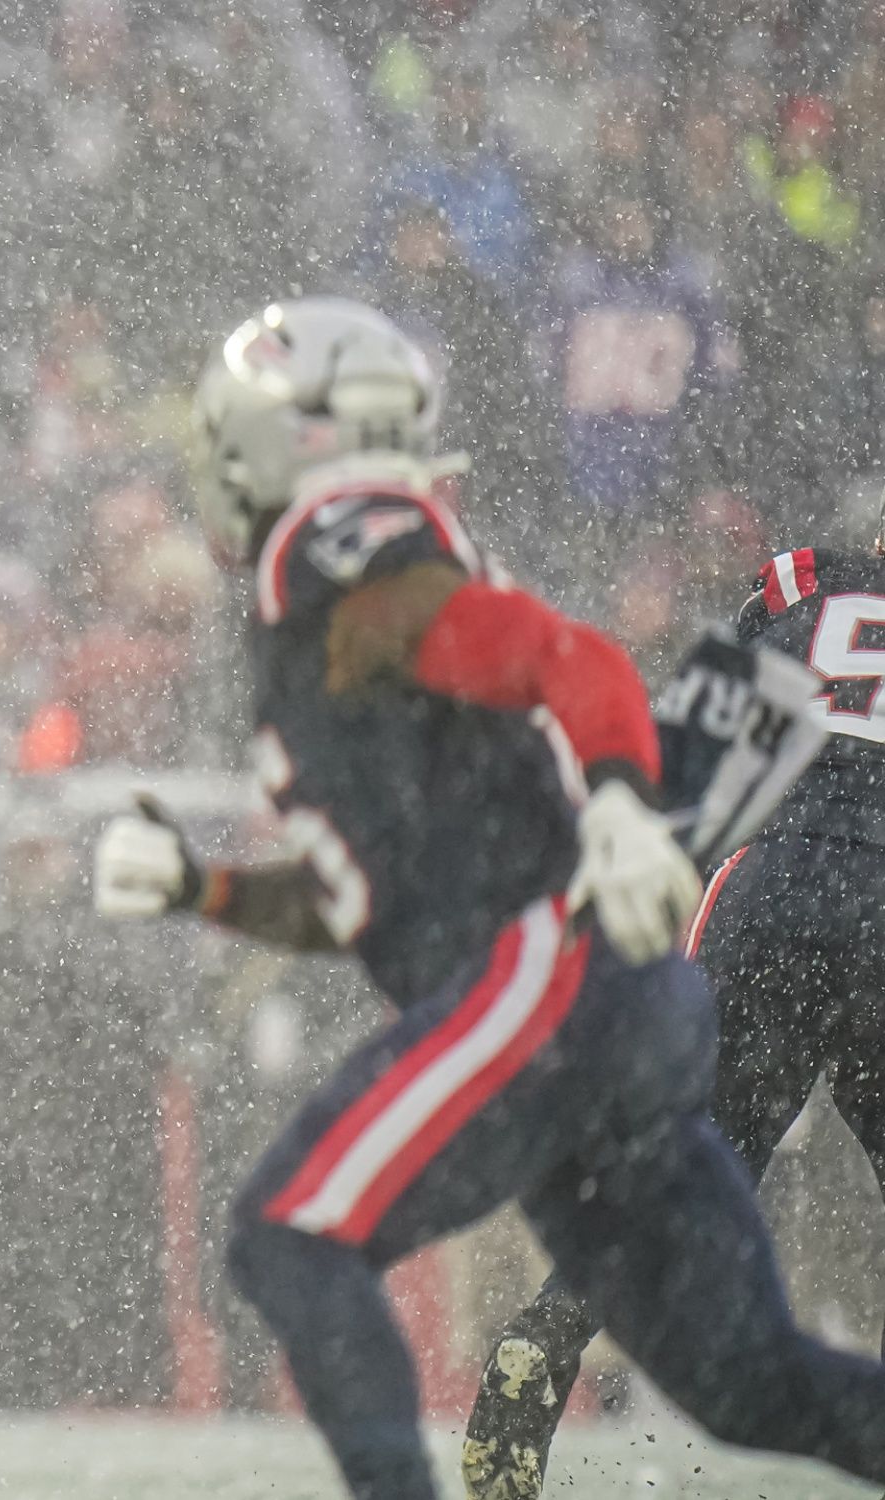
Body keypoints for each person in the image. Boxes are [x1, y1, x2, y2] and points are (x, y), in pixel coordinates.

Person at [93, 296, 885, 1500]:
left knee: (289, 1239)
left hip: (545, 973)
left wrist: (622, 798)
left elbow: (569, 658)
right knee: (749, 1380)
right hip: (587, 980)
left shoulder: (339, 545)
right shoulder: (301, 611)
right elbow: (354, 898)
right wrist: (207, 888)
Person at [460, 537, 885, 1499]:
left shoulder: (809, 579)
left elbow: (697, 742)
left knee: (685, 1173)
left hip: (771, 884)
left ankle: (545, 1343)